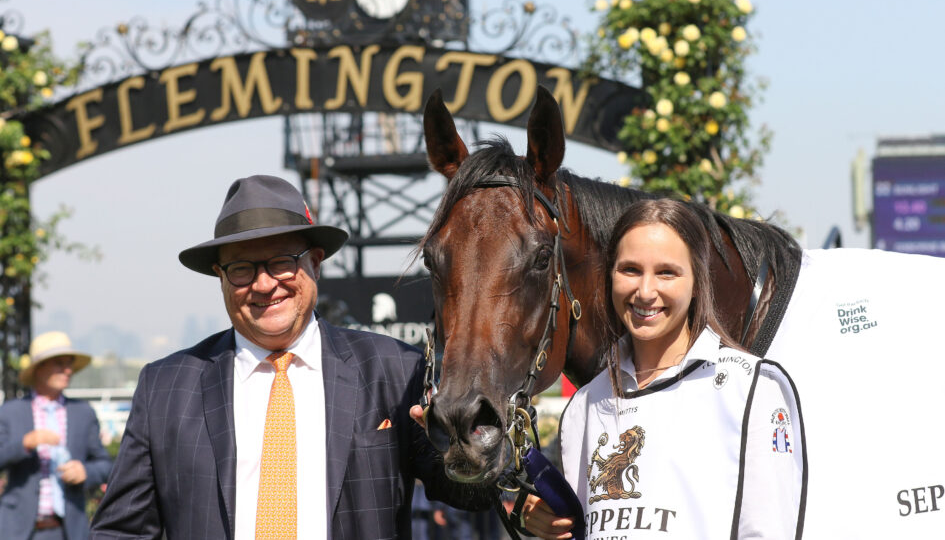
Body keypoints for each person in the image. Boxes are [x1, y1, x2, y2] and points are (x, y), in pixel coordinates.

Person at [90, 175, 489, 539]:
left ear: (315, 262)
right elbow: (121, 531)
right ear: (220, 276)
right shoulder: (166, 389)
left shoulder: (394, 371)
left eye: (282, 262)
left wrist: (457, 445)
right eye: (242, 269)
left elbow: (470, 493)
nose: (264, 284)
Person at [523, 199, 806, 539]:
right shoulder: (584, 404)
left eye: (666, 272)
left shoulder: (750, 388)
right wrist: (548, 522)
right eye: (630, 270)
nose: (645, 291)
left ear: (698, 282)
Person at [0, 331, 113, 540]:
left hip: (69, 530)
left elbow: (106, 465)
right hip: (19, 530)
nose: (67, 370)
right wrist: (24, 444)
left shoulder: (83, 412)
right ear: (39, 368)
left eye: (69, 364)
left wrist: (85, 472)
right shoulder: (11, 411)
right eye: (59, 363)